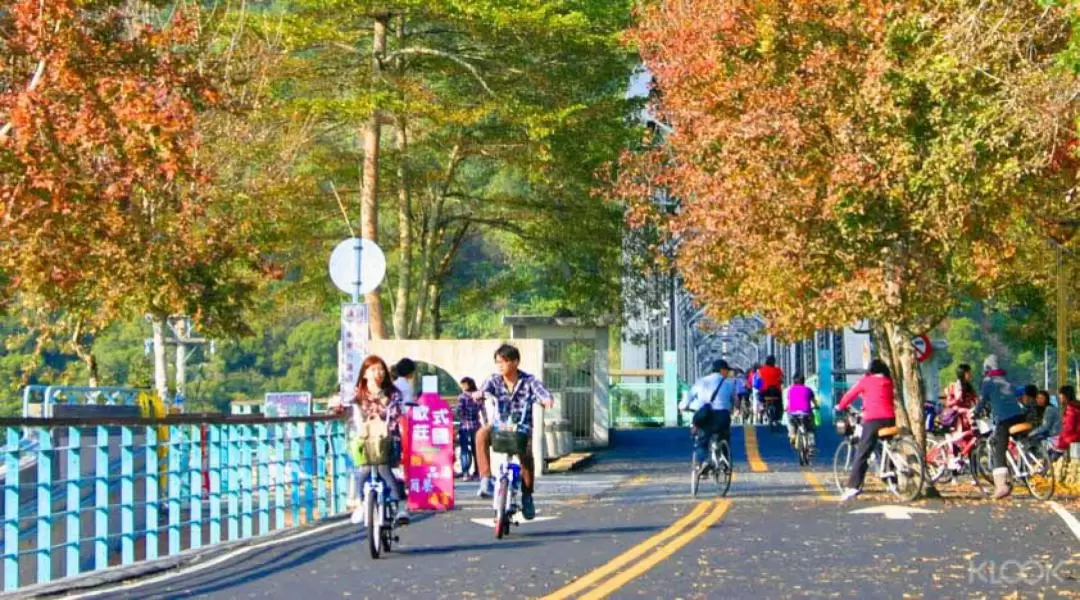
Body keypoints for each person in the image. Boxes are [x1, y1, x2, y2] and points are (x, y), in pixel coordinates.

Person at [472, 344, 554, 520]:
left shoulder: (529, 381)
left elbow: (542, 392)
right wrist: (479, 394)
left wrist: (546, 399)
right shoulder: (494, 380)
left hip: (521, 428)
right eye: (498, 362)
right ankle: (486, 479)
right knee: (481, 434)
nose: (500, 366)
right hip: (498, 427)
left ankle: (527, 496)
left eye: (504, 362)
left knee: (526, 459)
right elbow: (484, 390)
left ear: (515, 362)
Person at [350, 355, 409, 525]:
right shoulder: (358, 394)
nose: (379, 373)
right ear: (365, 374)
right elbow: (351, 410)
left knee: (384, 468)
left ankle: (399, 507)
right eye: (374, 369)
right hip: (367, 440)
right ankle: (361, 503)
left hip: (388, 438)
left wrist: (384, 411)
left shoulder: (392, 393)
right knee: (365, 470)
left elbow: (397, 412)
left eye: (381, 369)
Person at [835, 359, 896, 502]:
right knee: (888, 448)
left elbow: (850, 395)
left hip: (873, 419)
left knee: (863, 452)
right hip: (890, 418)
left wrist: (840, 406)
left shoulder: (866, 381)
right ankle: (893, 480)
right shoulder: (888, 380)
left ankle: (853, 487)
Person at [972, 354, 1027, 499]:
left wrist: (975, 413)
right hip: (1020, 415)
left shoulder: (988, 382)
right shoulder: (1006, 380)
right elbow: (1016, 392)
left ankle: (1002, 486)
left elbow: (982, 401)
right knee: (1020, 442)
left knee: (998, 449)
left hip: (1004, 419)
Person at [679, 359, 738, 472]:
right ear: (722, 370)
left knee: (702, 439)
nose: (728, 373)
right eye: (727, 370)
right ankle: (725, 463)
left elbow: (689, 396)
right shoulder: (729, 384)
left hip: (707, 415)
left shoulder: (701, 382)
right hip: (723, 416)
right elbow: (735, 401)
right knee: (724, 436)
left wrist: (682, 406)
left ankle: (702, 463)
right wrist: (734, 408)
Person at [455, 377, 483, 480]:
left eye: (463, 385)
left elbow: (459, 411)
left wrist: (459, 417)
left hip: (465, 426)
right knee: (477, 450)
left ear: (467, 385)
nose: (461, 387)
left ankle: (466, 473)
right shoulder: (478, 396)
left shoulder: (462, 397)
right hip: (477, 426)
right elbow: (483, 410)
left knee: (465, 450)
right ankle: (478, 472)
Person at [785, 374, 817, 448]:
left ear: (794, 382)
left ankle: (792, 434)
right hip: (806, 413)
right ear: (804, 381)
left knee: (790, 421)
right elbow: (814, 401)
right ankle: (811, 443)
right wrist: (816, 406)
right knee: (810, 427)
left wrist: (787, 408)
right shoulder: (808, 389)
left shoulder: (790, 390)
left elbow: (789, 402)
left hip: (793, 413)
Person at [1052, 385, 1079, 456]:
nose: (1059, 396)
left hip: (1073, 437)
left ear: (1065, 395)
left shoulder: (1070, 408)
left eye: (1060, 394)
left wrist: (1060, 437)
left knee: (1053, 450)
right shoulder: (1076, 405)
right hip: (1076, 435)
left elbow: (1069, 427)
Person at [758, 356, 784, 426]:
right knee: (779, 402)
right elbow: (782, 379)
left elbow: (759, 380)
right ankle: (778, 417)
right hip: (775, 391)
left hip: (765, 391)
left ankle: (762, 405)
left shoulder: (761, 370)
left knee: (759, 396)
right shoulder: (778, 370)